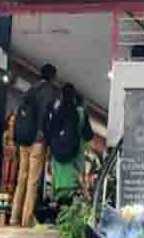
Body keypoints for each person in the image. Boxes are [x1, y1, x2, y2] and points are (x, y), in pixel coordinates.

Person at [11, 63, 60, 227]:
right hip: (38, 141)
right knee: (32, 182)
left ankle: (14, 217)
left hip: (24, 138)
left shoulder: (32, 88)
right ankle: (26, 220)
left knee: (21, 178)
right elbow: (49, 116)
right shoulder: (51, 91)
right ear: (52, 77)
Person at [46, 83, 92, 216]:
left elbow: (50, 133)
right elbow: (88, 135)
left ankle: (59, 219)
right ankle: (70, 222)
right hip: (75, 158)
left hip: (58, 159)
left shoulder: (56, 111)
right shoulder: (81, 113)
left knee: (59, 192)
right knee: (74, 192)